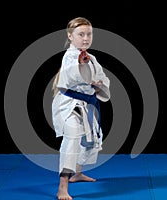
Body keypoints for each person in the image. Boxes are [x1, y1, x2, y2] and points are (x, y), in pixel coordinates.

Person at [51, 17, 111, 200]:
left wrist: (99, 83)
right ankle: (62, 187)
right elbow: (71, 74)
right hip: (68, 105)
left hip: (86, 104)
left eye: (89, 34)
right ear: (70, 36)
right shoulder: (70, 56)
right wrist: (81, 65)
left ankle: (76, 174)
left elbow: (103, 78)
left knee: (87, 138)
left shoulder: (91, 57)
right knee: (73, 138)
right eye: (80, 34)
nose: (85, 38)